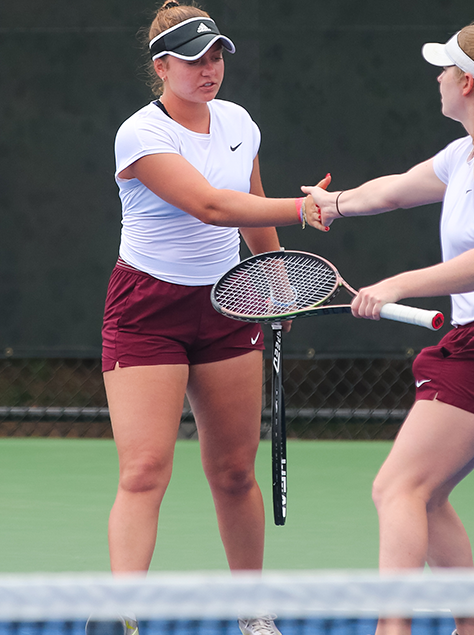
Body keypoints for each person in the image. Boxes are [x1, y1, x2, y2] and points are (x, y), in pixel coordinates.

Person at [302, 22, 474, 635]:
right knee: (424, 492)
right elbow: (392, 192)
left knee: (396, 488)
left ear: (466, 84)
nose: (437, 78)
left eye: (444, 70)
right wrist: (331, 205)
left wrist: (395, 284)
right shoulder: (468, 154)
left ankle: (392, 631)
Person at [100, 2, 325, 635]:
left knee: (232, 471)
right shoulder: (140, 135)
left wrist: (276, 275)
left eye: (217, 54)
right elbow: (208, 205)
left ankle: (253, 613)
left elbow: (250, 207)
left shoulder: (238, 122)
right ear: (162, 65)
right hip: (147, 310)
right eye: (195, 58)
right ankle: (124, 616)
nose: (210, 68)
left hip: (228, 303)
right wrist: (311, 208)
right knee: (144, 470)